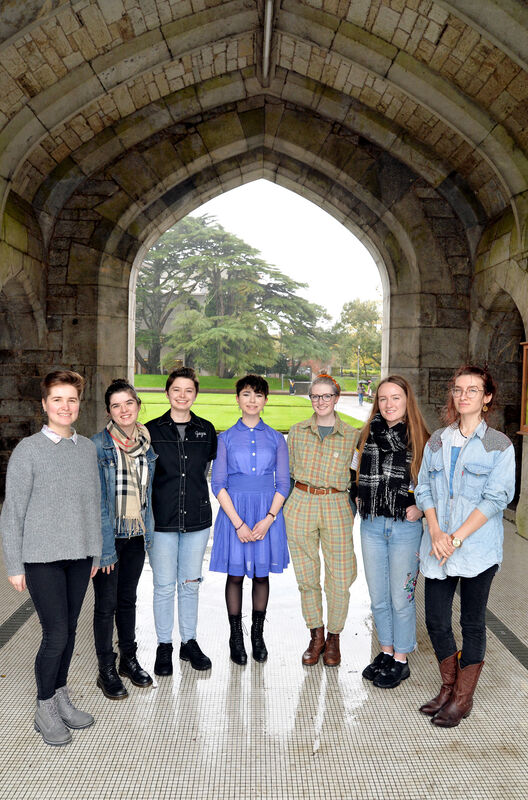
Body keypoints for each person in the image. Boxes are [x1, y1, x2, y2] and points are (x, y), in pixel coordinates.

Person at [1, 370, 102, 746]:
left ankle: (60, 694)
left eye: (72, 399)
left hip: (78, 556)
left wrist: (94, 551)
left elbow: (94, 505)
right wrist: (14, 564)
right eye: (57, 399)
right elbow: (13, 512)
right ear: (44, 404)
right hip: (41, 558)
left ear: (79, 404)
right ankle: (44, 706)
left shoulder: (87, 448)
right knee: (56, 632)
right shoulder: (29, 450)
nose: (65, 406)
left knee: (71, 630)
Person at [415, 365, 515, 727]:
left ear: (486, 398)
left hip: (477, 550)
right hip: (438, 546)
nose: (464, 396)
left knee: (472, 623)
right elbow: (424, 486)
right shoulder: (438, 439)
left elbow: (496, 498)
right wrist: (437, 531)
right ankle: (447, 685)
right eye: (458, 389)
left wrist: (456, 538)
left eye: (473, 390)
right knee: (436, 620)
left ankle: (462, 698)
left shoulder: (499, 445)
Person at [354, 376, 429, 689]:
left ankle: (401, 658)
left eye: (395, 398)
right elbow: (354, 472)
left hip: (405, 527)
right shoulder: (366, 434)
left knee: (401, 597)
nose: (388, 404)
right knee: (378, 597)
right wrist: (358, 496)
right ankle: (385, 651)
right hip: (372, 525)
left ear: (406, 400)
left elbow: (434, 485)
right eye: (383, 398)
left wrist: (422, 508)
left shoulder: (422, 439)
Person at [210, 375, 289, 664]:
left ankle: (257, 634)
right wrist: (238, 523)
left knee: (261, 574)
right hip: (235, 513)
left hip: (266, 513)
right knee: (235, 575)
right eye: (246, 394)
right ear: (238, 399)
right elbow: (217, 483)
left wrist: (269, 519)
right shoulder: (226, 438)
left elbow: (283, 483)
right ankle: (235, 636)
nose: (252, 400)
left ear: (266, 400)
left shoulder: (276, 438)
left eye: (258, 395)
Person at [284, 374, 358, 667]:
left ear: (337, 398)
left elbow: (358, 478)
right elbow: (287, 472)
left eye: (327, 396)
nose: (321, 402)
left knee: (339, 577)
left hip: (336, 503)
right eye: (315, 396)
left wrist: (352, 507)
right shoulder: (298, 431)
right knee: (306, 576)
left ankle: (334, 637)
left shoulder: (352, 435)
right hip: (301, 502)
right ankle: (315, 634)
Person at [146, 367, 217, 673]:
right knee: (163, 586)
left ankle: (189, 642)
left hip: (197, 520)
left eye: (189, 390)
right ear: (167, 393)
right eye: (177, 390)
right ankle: (164, 645)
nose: (182, 396)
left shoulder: (206, 430)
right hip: (162, 520)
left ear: (195, 395)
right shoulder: (150, 431)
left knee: (190, 584)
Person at [91, 379, 157, 699]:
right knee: (106, 605)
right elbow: (96, 502)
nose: (124, 410)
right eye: (116, 406)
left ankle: (128, 660)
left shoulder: (146, 441)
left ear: (137, 404)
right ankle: (106, 668)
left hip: (136, 534)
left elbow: (148, 493)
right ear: (109, 412)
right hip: (109, 536)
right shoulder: (98, 445)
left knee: (128, 600)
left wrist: (149, 534)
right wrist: (104, 551)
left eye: (128, 403)